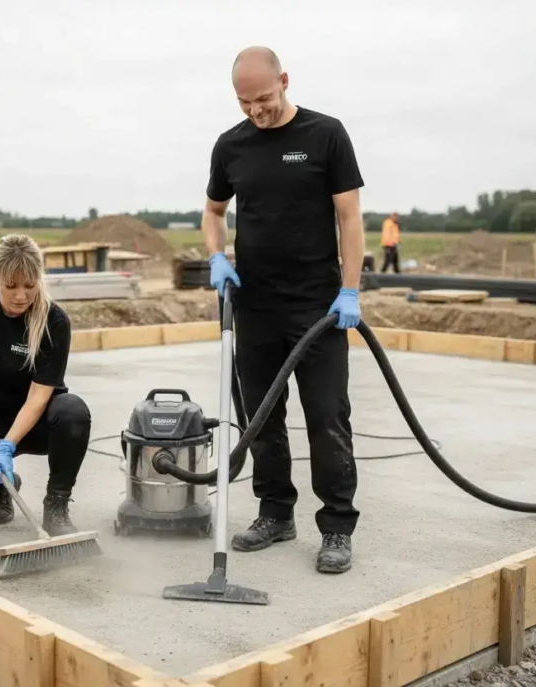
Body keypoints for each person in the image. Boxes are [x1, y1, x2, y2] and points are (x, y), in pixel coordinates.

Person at [202, 46, 365, 574]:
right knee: (262, 417)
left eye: (264, 98)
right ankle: (276, 513)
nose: (256, 111)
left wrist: (350, 289)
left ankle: (337, 526)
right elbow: (213, 211)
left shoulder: (325, 134)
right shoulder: (232, 145)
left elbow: (350, 217)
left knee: (326, 415)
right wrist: (217, 255)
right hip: (255, 304)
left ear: (286, 82)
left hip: (318, 305)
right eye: (245, 102)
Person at [0, 234, 93, 536]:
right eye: (12, 286)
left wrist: (7, 446)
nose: (22, 295)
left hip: (40, 424)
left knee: (74, 412)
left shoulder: (54, 322)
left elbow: (38, 397)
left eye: (30, 285)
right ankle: (1, 487)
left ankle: (56, 507)